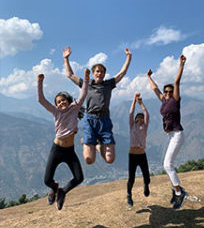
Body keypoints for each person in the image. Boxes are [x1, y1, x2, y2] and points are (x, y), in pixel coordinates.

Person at [63, 46, 132, 165]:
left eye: (102, 72)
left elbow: (122, 73)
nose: (100, 73)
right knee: (89, 160)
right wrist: (66, 59)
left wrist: (129, 57)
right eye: (97, 71)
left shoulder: (109, 84)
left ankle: (97, 146)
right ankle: (87, 141)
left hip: (105, 121)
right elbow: (70, 74)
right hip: (90, 119)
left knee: (110, 159)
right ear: (93, 73)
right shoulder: (86, 84)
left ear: (104, 74)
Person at [37, 67, 90, 210]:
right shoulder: (55, 111)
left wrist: (85, 79)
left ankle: (62, 192)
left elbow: (84, 93)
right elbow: (41, 100)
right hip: (57, 150)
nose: (61, 103)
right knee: (47, 180)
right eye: (58, 102)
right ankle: (54, 187)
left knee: (79, 178)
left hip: (70, 151)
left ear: (68, 100)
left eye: (63, 100)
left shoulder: (75, 108)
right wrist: (40, 82)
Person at [147, 54, 187, 210]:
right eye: (166, 91)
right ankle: (176, 190)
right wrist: (149, 77)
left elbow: (177, 82)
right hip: (170, 135)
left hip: (177, 134)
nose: (168, 92)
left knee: (167, 164)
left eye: (170, 91)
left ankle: (179, 192)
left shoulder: (175, 101)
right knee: (167, 164)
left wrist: (181, 65)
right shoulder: (163, 100)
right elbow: (155, 89)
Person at [127, 93, 150, 207]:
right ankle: (129, 194)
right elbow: (131, 113)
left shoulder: (144, 127)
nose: (140, 118)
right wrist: (134, 101)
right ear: (135, 120)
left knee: (147, 176)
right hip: (132, 156)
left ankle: (146, 185)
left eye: (141, 117)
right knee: (131, 178)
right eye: (138, 117)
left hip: (142, 155)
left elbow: (146, 113)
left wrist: (141, 103)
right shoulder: (132, 126)